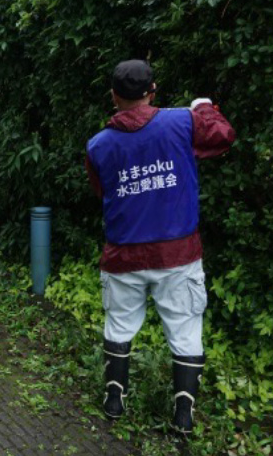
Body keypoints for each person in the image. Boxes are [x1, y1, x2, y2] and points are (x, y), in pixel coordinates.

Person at [85, 60, 236, 435]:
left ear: (113, 95)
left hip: (123, 254)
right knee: (185, 330)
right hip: (177, 254)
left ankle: (115, 400)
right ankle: (183, 417)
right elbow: (223, 136)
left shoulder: (97, 145)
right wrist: (202, 106)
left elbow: (101, 190)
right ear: (153, 90)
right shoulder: (182, 121)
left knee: (119, 325)